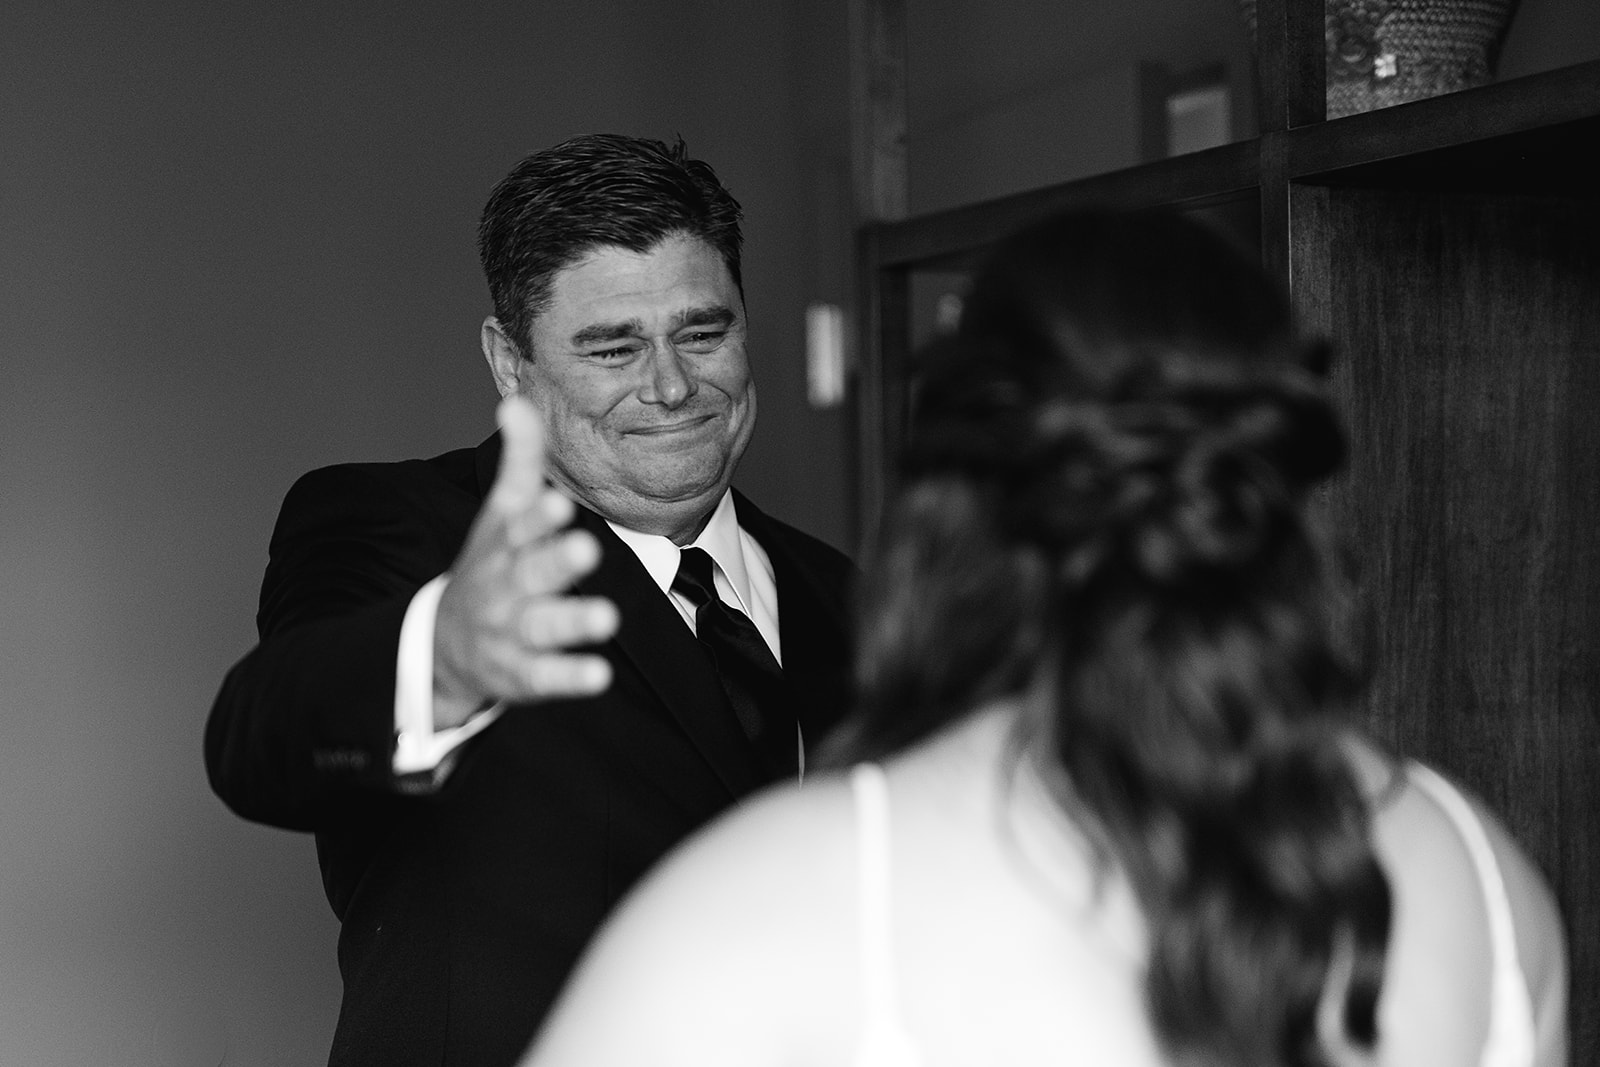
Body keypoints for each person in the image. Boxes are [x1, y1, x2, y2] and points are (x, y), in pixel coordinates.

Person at [519, 208, 1569, 1067]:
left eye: (699, 333)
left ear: (947, 499)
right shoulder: (1475, 866)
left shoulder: (779, 896)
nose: (667, 380)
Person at [204, 133, 854, 1067]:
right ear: (511, 362)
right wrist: (440, 660)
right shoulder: (401, 526)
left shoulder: (844, 593)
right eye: (613, 348)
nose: (672, 385)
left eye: (703, 333)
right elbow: (261, 745)